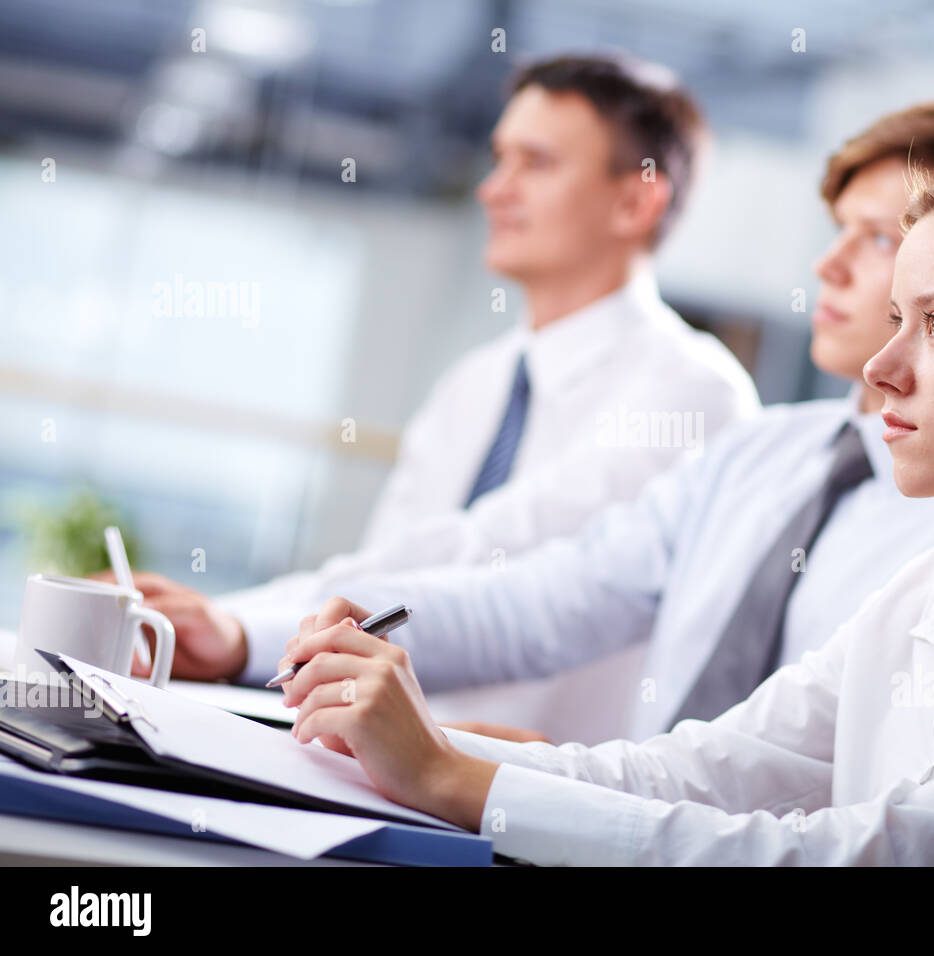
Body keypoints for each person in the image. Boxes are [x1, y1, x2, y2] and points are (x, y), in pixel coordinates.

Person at [279, 156, 934, 865]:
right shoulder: (926, 590)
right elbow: (688, 775)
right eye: (896, 320)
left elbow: (859, 858)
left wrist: (449, 777)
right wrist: (410, 742)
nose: (881, 369)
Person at [263, 103, 934, 746]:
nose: (830, 266)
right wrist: (342, 621)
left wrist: (552, 778)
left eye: (881, 238)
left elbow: (847, 789)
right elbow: (554, 597)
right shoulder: (761, 453)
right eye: (838, 231)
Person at [119, 54, 759, 684]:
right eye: (500, 159)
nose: (493, 189)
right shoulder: (476, 382)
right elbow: (389, 565)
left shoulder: (694, 391)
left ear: (634, 201)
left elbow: (488, 559)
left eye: (535, 162)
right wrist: (225, 624)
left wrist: (238, 631)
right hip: (372, 738)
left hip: (521, 755)